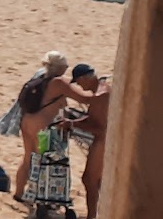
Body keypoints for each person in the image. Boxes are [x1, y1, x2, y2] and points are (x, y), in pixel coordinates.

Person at [12, 52, 100, 202]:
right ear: (61, 67)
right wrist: (100, 89)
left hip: (27, 121)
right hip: (42, 126)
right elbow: (84, 99)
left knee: (28, 158)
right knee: (45, 162)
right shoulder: (60, 83)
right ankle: (40, 199)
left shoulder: (40, 76)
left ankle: (18, 193)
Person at [62, 66, 109, 218]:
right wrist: (72, 121)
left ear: (84, 79)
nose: (80, 87)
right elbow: (93, 118)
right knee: (98, 181)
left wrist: (73, 124)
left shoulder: (100, 96)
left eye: (79, 83)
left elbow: (100, 128)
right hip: (104, 139)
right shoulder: (102, 90)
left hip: (103, 141)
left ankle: (92, 216)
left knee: (89, 179)